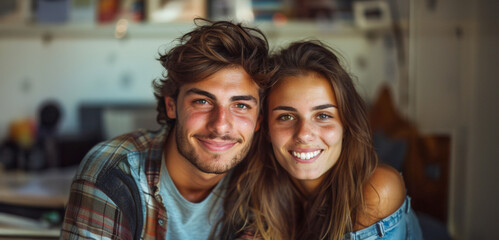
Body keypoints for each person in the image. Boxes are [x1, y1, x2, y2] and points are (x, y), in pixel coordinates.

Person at [60, 18, 271, 239]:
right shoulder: (112, 173)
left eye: (240, 106)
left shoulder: (264, 178)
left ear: (258, 120)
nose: (220, 125)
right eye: (202, 101)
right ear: (172, 106)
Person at [215, 41, 423, 240]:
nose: (304, 134)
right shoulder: (253, 184)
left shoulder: (377, 190)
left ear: (346, 125)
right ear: (267, 128)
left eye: (323, 116)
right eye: (286, 117)